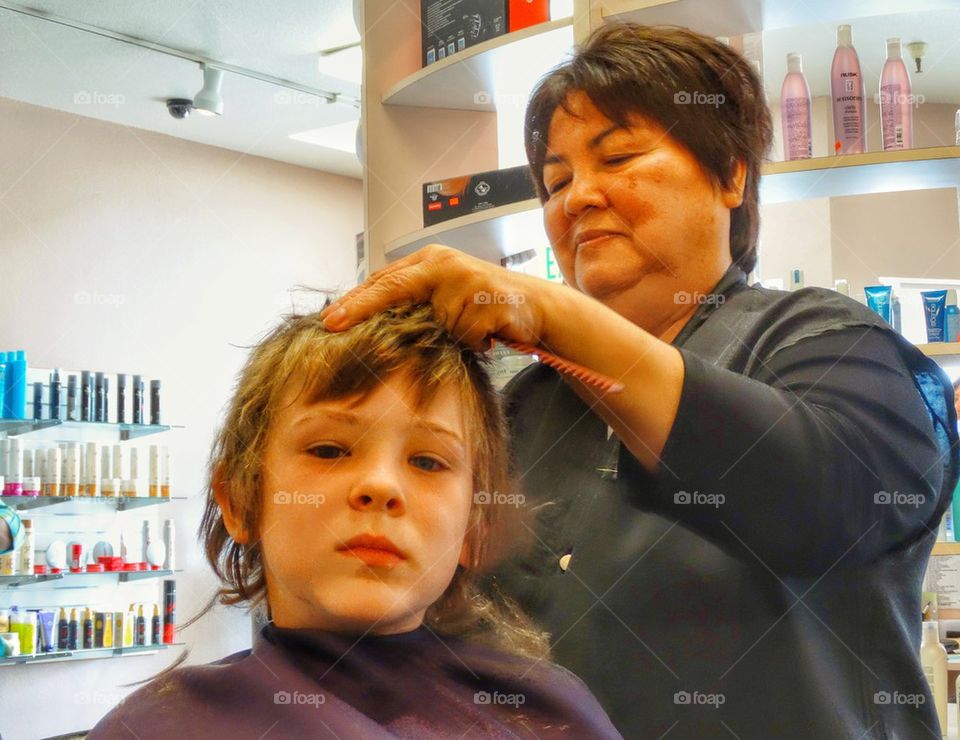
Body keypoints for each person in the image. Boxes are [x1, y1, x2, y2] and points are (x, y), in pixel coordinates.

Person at [320, 23, 960, 739]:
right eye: (557, 181)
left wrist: (554, 314)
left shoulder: (829, 347)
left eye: (619, 157)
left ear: (731, 175)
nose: (579, 198)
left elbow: (820, 500)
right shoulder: (524, 408)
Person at [88, 304, 621, 739]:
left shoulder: (550, 713)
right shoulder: (158, 727)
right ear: (241, 501)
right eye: (328, 449)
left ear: (473, 528)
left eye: (428, 461)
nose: (381, 487)